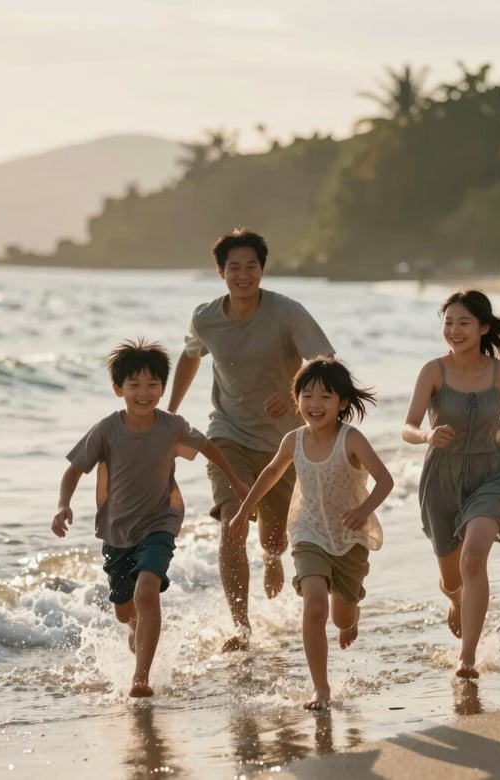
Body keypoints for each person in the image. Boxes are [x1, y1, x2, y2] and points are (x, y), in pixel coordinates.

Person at [167, 227, 334, 652]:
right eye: (234, 268)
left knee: (274, 537)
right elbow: (190, 355)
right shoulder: (206, 317)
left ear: (262, 269)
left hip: (283, 441)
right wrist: (170, 413)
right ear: (220, 272)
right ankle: (240, 627)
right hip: (227, 432)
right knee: (232, 521)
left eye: (251, 267)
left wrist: (295, 395)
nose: (244, 275)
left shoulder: (287, 313)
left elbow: (324, 360)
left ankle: (274, 558)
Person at [51, 338, 248, 698]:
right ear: (118, 389)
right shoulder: (107, 429)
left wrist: (235, 482)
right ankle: (135, 632)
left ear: (163, 388)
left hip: (161, 521)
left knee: (147, 592)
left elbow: (207, 447)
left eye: (153, 385)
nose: (144, 392)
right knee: (125, 610)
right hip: (117, 530)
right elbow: (74, 470)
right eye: (135, 385)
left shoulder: (171, 426)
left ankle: (140, 677)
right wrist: (63, 504)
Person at [228, 357, 393, 710]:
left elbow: (385, 480)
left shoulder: (351, 439)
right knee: (315, 603)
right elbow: (271, 474)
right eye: (307, 395)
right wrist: (245, 511)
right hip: (308, 530)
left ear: (343, 403)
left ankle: (351, 618)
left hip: (349, 537)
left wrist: (364, 511)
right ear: (296, 398)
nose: (314, 404)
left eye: (325, 397)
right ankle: (321, 688)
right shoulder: (293, 440)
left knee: (341, 617)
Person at [402, 290, 500, 680]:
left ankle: (467, 657)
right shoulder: (433, 371)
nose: (454, 331)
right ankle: (456, 600)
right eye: (448, 323)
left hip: (490, 473)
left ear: (483, 328)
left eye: (463, 323)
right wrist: (425, 437)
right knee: (452, 577)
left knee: (474, 557)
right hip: (441, 477)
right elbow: (408, 426)